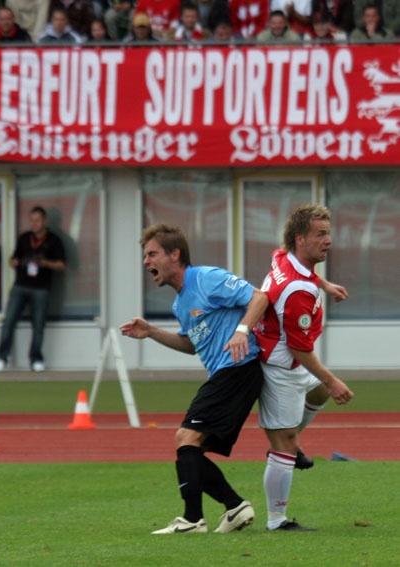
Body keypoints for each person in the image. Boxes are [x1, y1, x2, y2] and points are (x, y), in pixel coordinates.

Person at [120, 224, 268, 534]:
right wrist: (151, 332)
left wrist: (241, 332)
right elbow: (191, 345)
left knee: (185, 438)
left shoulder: (206, 278)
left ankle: (192, 520)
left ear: (175, 255)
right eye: (145, 255)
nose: (146, 261)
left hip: (238, 368)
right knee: (190, 446)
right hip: (226, 374)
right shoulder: (179, 303)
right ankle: (234, 507)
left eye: (152, 254)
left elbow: (259, 298)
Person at [255, 204, 354, 531]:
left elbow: (299, 271)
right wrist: (334, 380)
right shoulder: (298, 290)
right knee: (284, 441)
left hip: (290, 360)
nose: (328, 240)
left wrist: (325, 285)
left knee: (318, 391)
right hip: (280, 368)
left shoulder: (283, 256)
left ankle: (289, 442)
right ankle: (277, 520)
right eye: (320, 234)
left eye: (328, 233)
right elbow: (299, 347)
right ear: (300, 239)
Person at [0, 206, 66, 372]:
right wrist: (15, 262)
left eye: (37, 220)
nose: (34, 224)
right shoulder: (25, 238)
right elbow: (13, 259)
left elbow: (62, 265)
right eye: (32, 220)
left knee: (38, 325)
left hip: (41, 288)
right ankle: (1, 357)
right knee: (9, 321)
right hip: (20, 285)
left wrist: (45, 263)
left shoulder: (54, 240)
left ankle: (36, 359)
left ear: (44, 221)